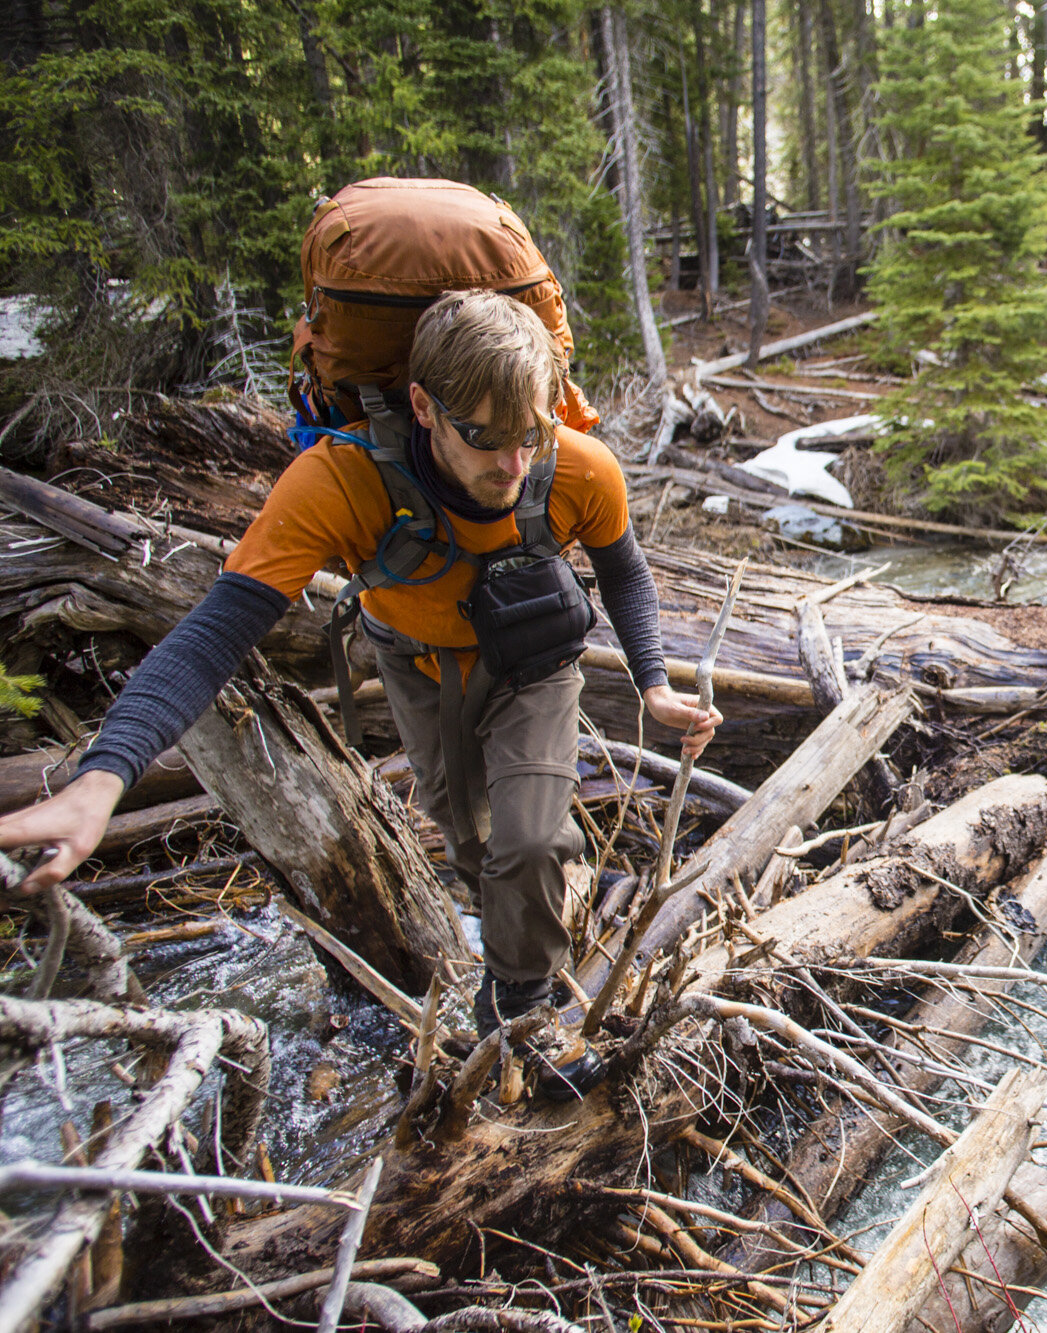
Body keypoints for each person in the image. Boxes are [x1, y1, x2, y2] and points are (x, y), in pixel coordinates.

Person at [0, 290, 718, 1085]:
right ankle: (502, 939)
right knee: (469, 836)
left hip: (535, 661)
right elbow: (215, 629)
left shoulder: (580, 467)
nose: (515, 466)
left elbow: (624, 570)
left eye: (532, 435)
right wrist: (105, 775)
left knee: (531, 838)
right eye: (485, 438)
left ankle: (522, 1014)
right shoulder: (339, 480)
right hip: (414, 662)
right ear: (423, 406)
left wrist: (652, 682)